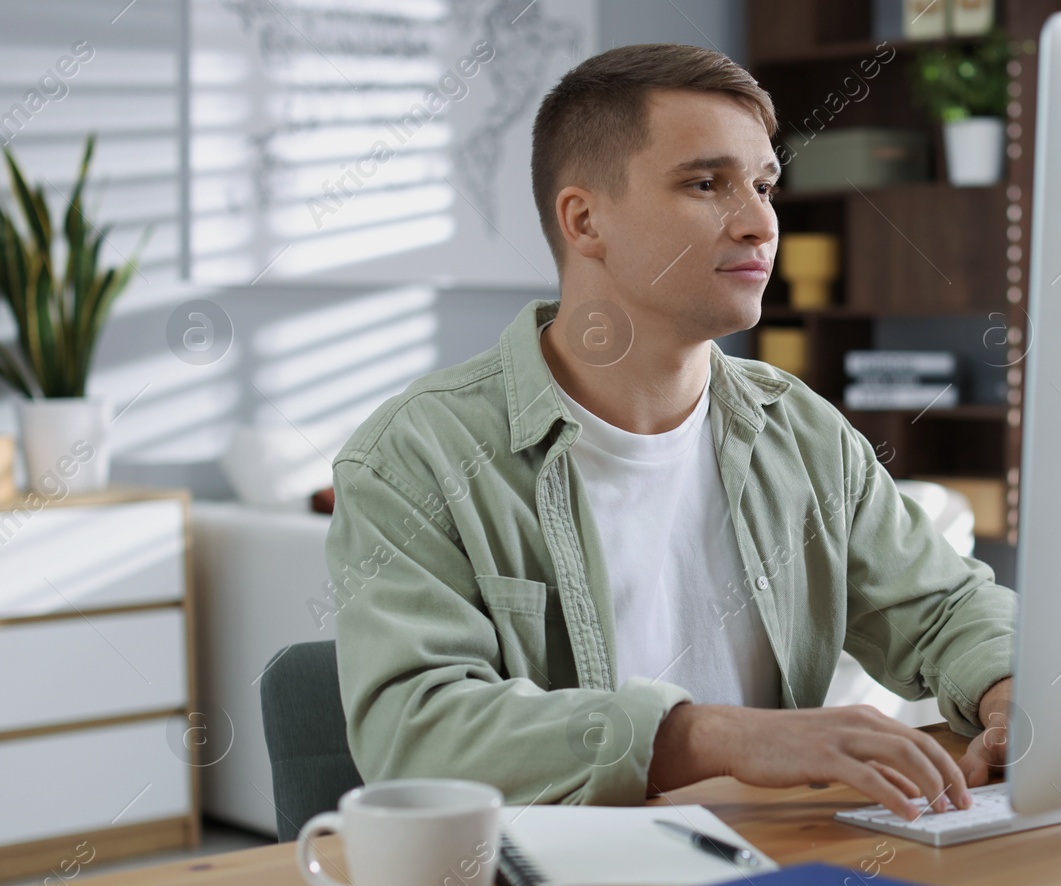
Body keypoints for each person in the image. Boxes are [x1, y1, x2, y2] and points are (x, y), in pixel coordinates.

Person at [324, 42, 1017, 821]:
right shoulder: (416, 456)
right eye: (706, 184)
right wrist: (720, 737)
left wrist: (1006, 689)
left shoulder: (805, 434)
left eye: (763, 186)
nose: (759, 223)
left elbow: (945, 606)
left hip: (776, 874)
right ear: (584, 220)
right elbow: (416, 733)